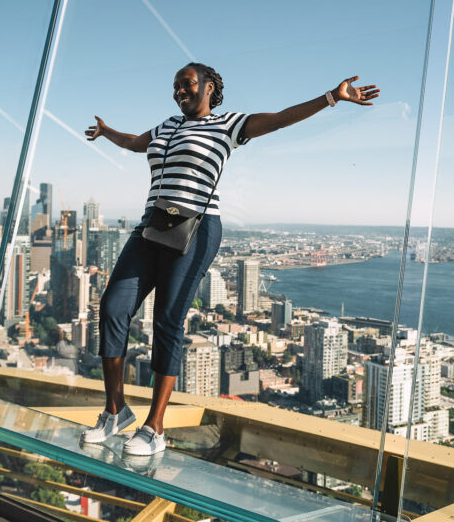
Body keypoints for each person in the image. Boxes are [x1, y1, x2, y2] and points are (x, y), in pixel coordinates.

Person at [81, 62, 379, 455]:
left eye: (186, 84)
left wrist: (330, 98)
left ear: (209, 88)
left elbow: (278, 121)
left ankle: (155, 428)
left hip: (197, 229)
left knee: (168, 320)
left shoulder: (228, 124)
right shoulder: (167, 126)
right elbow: (137, 143)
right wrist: (106, 133)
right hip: (151, 227)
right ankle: (115, 410)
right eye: (175, 86)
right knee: (113, 307)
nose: (179, 91)